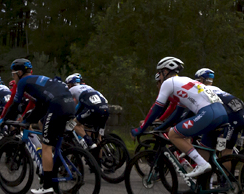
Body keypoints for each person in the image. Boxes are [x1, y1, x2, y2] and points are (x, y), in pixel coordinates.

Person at [132, 57, 228, 185]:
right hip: (222, 113)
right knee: (204, 149)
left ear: (165, 71)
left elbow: (156, 108)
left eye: (160, 73)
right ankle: (205, 193)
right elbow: (177, 113)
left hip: (208, 113)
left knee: (173, 134)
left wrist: (140, 129)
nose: (159, 77)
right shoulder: (186, 81)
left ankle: (201, 164)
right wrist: (160, 127)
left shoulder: (168, 83)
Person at [0, 59, 78, 194]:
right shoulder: (40, 80)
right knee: (50, 136)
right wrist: (28, 120)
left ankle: (47, 186)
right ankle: (55, 170)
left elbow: (15, 103)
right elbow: (40, 106)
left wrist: (3, 120)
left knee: (46, 146)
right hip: (69, 105)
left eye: (13, 74)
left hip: (57, 105)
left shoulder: (23, 82)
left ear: (20, 73)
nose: (13, 78)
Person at [64, 73, 111, 142]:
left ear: (70, 85)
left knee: (73, 124)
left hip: (93, 109)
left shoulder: (72, 89)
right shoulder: (88, 87)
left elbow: (65, 102)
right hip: (105, 109)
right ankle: (99, 148)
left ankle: (89, 143)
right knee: (98, 139)